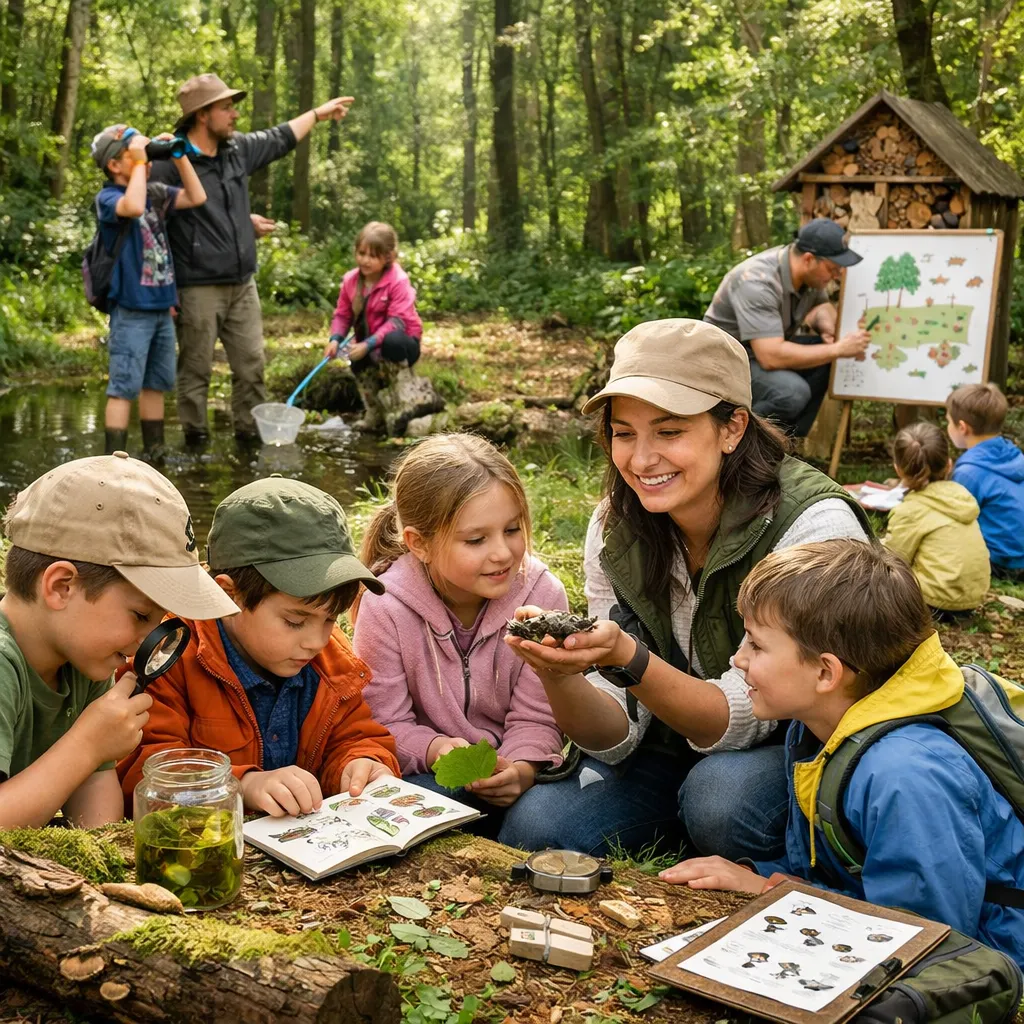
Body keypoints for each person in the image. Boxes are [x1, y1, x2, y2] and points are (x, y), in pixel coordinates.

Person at [504, 319, 871, 859]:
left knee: (719, 799)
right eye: (623, 433)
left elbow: (751, 717)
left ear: (733, 428)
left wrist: (630, 660)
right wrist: (559, 674)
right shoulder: (615, 526)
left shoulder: (813, 527)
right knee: (534, 827)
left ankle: (771, 848)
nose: (641, 459)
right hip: (672, 743)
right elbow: (614, 733)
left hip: (802, 745)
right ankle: (684, 826)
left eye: (669, 432)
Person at [658, 540, 1024, 971]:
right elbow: (835, 870)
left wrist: (767, 891)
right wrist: (766, 877)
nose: (738, 659)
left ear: (826, 672)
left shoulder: (905, 775)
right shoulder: (821, 725)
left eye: (756, 646)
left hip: (994, 952)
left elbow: (925, 937)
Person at [117, 478, 400, 817]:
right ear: (228, 594)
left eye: (330, 619)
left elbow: (356, 737)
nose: (317, 641)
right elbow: (141, 770)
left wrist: (362, 764)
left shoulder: (331, 663)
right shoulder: (168, 657)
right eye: (295, 621)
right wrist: (242, 788)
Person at [352, 433, 569, 845]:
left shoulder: (542, 595)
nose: (503, 553)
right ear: (420, 544)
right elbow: (382, 721)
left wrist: (522, 767)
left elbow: (538, 715)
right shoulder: (385, 606)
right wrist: (434, 748)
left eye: (511, 529)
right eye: (476, 539)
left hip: (519, 775)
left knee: (540, 825)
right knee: (406, 810)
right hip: (428, 774)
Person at [0, 452, 238, 828]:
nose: (147, 642)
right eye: (141, 616)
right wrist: (88, 744)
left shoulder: (84, 662)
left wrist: (97, 753)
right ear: (62, 587)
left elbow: (96, 814)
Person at [151, 73, 355, 445]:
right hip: (196, 288)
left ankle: (249, 443)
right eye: (226, 108)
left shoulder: (235, 151)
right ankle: (195, 447)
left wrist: (318, 114)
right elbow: (151, 224)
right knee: (195, 371)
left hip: (243, 284)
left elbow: (279, 138)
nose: (234, 115)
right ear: (202, 115)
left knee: (251, 366)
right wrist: (164, 291)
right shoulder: (170, 161)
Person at [91, 124, 207, 459]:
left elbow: (197, 196)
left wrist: (179, 154)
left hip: (161, 308)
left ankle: (154, 455)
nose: (145, 159)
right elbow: (133, 207)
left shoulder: (154, 192)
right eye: (133, 153)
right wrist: (141, 163)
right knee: (123, 386)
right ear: (115, 165)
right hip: (130, 308)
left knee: (156, 384)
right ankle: (112, 462)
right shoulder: (109, 198)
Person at [704, 219, 871, 437]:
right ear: (809, 259)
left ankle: (787, 443)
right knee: (792, 393)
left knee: (825, 358)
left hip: (756, 352)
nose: (837, 275)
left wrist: (829, 328)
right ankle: (735, 440)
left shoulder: (807, 278)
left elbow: (819, 308)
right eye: (833, 268)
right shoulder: (757, 282)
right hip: (724, 362)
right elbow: (770, 356)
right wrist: (839, 349)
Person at [323, 222, 424, 432]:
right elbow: (343, 314)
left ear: (387, 257)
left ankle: (403, 405)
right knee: (355, 359)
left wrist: (368, 344)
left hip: (400, 343)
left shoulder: (398, 281)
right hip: (368, 343)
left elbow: (397, 321)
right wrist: (335, 339)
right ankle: (374, 413)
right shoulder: (352, 281)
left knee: (392, 341)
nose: (365, 260)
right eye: (361, 253)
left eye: (372, 256)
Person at [884, 421, 989, 620]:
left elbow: (894, 559)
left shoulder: (910, 510)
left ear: (898, 469)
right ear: (949, 464)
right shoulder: (960, 495)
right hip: (972, 597)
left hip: (933, 601)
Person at [946, 383, 1024, 580]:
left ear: (962, 427)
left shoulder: (969, 472)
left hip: (1001, 562)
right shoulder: (1015, 456)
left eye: (949, 421)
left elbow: (954, 518)